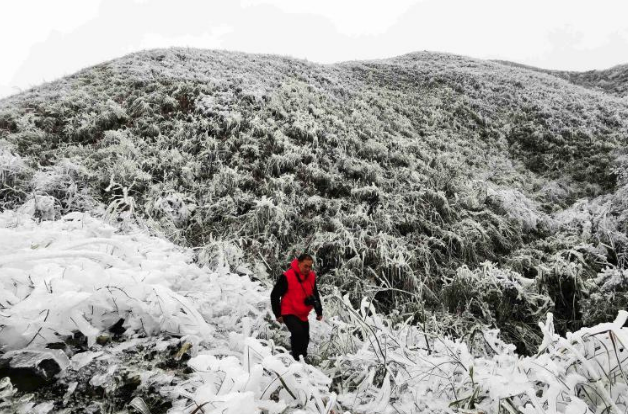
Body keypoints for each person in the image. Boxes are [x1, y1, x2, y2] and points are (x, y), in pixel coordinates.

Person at [270, 253, 323, 362]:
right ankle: (295, 360)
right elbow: (274, 295)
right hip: (289, 311)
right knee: (298, 333)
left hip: (303, 313)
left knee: (305, 339)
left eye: (310, 266)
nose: (308, 269)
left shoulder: (311, 276)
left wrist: (319, 311)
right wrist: (278, 314)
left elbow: (315, 294)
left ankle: (302, 360)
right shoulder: (287, 276)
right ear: (298, 263)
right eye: (305, 266)